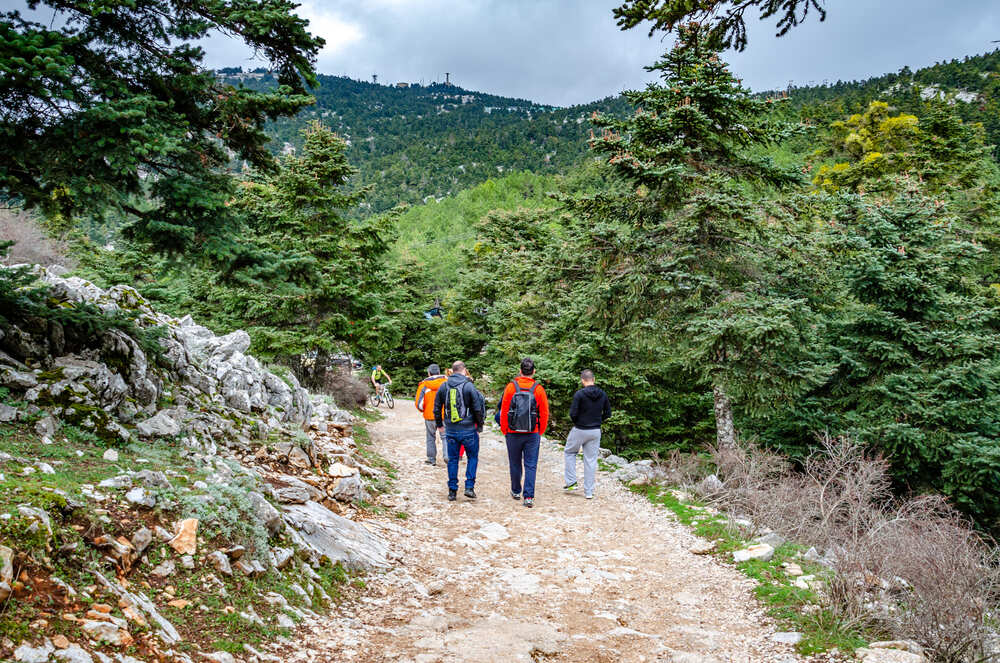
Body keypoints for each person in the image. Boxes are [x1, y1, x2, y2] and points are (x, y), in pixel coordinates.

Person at [499, 357, 549, 508]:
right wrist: (540, 431)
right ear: (533, 372)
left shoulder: (511, 387)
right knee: (531, 464)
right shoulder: (539, 389)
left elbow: (504, 410)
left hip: (513, 432)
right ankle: (528, 496)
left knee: (514, 462)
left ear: (520, 371)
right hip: (532, 432)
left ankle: (515, 490)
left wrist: (505, 429)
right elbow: (545, 413)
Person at [434, 361, 485, 501]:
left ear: (452, 371)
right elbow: (477, 408)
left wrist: (440, 425)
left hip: (451, 430)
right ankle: (469, 487)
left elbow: (437, 408)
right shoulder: (469, 386)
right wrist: (479, 425)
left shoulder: (444, 386)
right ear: (464, 370)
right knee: (472, 457)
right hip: (469, 429)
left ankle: (452, 490)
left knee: (453, 460)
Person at [564, 369, 612, 500]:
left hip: (580, 428)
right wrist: (597, 421)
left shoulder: (579, 394)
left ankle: (571, 482)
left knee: (569, 452)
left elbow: (573, 414)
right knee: (590, 460)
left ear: (582, 380)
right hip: (595, 430)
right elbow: (608, 413)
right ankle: (589, 492)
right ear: (594, 379)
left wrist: (579, 422)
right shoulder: (602, 394)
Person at [415, 364, 448, 465]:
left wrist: (424, 410)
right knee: (445, 437)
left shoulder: (423, 385)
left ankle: (431, 459)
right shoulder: (447, 383)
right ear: (439, 372)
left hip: (429, 416)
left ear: (429, 373)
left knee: (430, 437)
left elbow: (418, 404)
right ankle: (448, 456)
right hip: (444, 415)